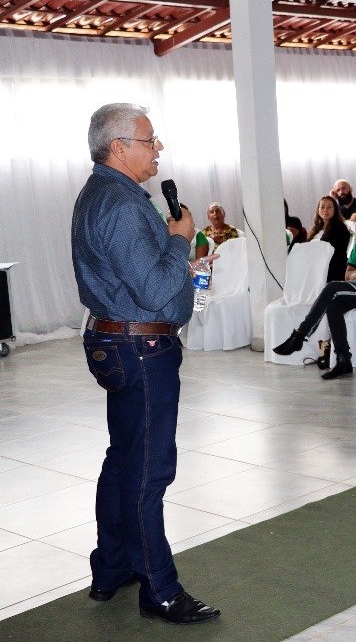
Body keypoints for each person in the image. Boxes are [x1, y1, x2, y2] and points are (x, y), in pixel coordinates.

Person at [71, 103, 220, 624]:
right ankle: (158, 589)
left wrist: (185, 265)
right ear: (119, 148)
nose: (159, 149)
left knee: (123, 460)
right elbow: (156, 286)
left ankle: (112, 568)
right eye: (150, 140)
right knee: (148, 472)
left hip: (119, 341)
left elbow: (144, 276)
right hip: (141, 350)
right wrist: (180, 244)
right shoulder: (123, 204)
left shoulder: (106, 196)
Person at [273, 199, 356, 380]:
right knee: (333, 306)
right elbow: (348, 274)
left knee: (332, 287)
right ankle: (343, 360)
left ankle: (300, 334)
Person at [309, 195, 352, 283]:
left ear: (335, 210)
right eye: (322, 207)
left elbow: (337, 253)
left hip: (332, 272)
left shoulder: (340, 228)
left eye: (329, 207)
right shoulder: (315, 229)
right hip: (316, 269)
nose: (325, 210)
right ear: (318, 210)